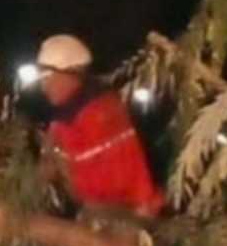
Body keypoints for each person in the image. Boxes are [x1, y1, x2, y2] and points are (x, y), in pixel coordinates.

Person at [34, 34, 165, 221]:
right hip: (94, 216)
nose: (43, 86)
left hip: (126, 219)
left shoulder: (102, 114)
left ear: (72, 73)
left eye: (47, 76)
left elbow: (131, 172)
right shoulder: (62, 122)